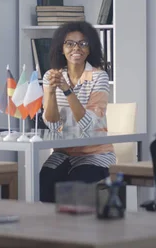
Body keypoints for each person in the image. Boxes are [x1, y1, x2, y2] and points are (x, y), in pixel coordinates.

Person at [40, 21, 113, 203]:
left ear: (90, 49)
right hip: (63, 152)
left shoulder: (99, 76)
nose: (76, 48)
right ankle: (51, 229)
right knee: (46, 177)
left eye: (83, 43)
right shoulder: (52, 76)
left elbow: (88, 124)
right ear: (61, 48)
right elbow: (53, 124)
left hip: (95, 154)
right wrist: (50, 92)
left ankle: (75, 229)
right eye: (70, 43)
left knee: (75, 182)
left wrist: (67, 90)